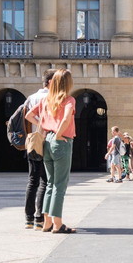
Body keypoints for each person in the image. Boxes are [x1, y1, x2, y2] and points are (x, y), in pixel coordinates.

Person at [25, 68, 76, 234]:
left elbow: (29, 116)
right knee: (59, 185)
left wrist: (46, 127)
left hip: (47, 142)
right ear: (67, 84)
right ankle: (58, 224)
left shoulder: (47, 100)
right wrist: (59, 133)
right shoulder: (69, 100)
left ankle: (46, 222)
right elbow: (67, 118)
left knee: (49, 184)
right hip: (61, 142)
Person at [24, 69, 55, 229]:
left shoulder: (31, 97)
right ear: (50, 82)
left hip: (32, 141)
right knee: (45, 181)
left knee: (32, 180)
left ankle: (28, 219)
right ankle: (39, 218)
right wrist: (43, 125)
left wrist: (36, 123)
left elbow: (27, 116)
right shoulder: (49, 97)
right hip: (45, 141)